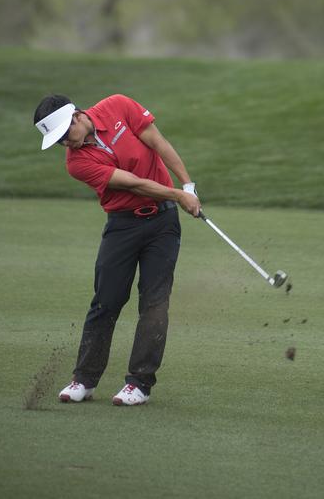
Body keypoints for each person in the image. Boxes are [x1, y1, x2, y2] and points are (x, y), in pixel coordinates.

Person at [33, 93, 201, 406]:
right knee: (106, 302)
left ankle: (139, 384)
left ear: (77, 116)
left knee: (154, 302)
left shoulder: (118, 106)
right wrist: (179, 195)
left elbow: (158, 142)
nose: (65, 144)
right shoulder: (76, 163)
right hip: (122, 227)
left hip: (163, 225)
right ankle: (85, 379)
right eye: (58, 142)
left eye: (65, 134)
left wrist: (188, 186)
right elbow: (133, 183)